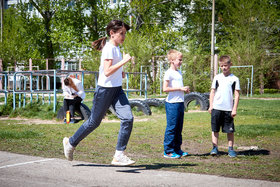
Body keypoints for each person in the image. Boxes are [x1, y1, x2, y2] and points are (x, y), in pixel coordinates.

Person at [63, 20, 135, 166]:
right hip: (104, 91)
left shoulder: (116, 49)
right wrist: (124, 62)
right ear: (112, 34)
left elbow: (110, 70)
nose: (123, 36)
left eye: (125, 34)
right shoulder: (109, 48)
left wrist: (121, 71)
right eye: (121, 33)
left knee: (128, 118)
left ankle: (119, 155)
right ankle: (70, 143)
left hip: (117, 90)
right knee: (93, 122)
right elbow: (107, 71)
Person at [208, 55, 240, 157]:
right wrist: (211, 106)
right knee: (215, 129)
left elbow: (237, 94)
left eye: (225, 65)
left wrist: (234, 109)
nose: (224, 68)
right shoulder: (217, 78)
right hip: (216, 108)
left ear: (230, 65)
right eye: (221, 66)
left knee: (229, 130)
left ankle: (230, 149)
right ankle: (214, 148)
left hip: (228, 109)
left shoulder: (235, 79)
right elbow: (212, 92)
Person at [163, 49, 190, 159]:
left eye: (181, 59)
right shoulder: (168, 73)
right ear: (172, 60)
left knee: (179, 127)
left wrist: (184, 90)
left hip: (180, 103)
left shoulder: (178, 72)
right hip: (172, 104)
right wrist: (180, 88)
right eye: (179, 59)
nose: (181, 62)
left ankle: (177, 149)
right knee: (172, 127)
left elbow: (179, 88)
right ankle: (168, 151)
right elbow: (165, 89)